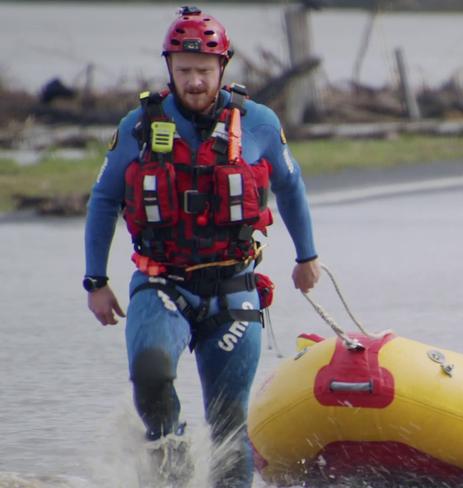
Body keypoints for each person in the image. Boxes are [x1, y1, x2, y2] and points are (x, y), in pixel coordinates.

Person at [83, 6, 320, 486]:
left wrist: (306, 257)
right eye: (185, 71)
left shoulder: (259, 123)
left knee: (230, 422)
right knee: (150, 374)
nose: (194, 82)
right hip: (161, 282)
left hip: (233, 289)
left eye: (204, 72)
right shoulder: (137, 126)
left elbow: (292, 190)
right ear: (169, 67)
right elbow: (104, 200)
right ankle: (173, 462)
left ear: (223, 68)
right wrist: (96, 281)